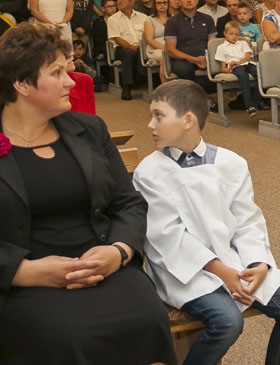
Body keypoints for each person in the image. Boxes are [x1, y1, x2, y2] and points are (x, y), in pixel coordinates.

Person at [0, 23, 176, 364]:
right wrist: (25, 272)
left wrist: (119, 252)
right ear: (21, 83)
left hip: (102, 263)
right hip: (23, 281)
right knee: (68, 338)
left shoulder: (89, 129)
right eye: (57, 73)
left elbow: (128, 203)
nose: (71, 81)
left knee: (147, 317)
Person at [133, 79, 280, 364]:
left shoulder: (231, 163)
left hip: (235, 261)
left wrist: (259, 263)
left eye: (158, 116)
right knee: (227, 322)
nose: (150, 125)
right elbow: (167, 236)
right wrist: (221, 271)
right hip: (183, 269)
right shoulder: (150, 171)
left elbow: (248, 219)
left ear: (188, 120)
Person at [164, 0, 218, 96]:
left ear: (197, 1)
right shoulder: (172, 22)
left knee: (219, 67)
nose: (189, 0)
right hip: (183, 59)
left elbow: (212, 44)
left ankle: (198, 95)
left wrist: (205, 58)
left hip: (205, 58)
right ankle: (201, 97)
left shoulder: (207, 19)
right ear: (179, 2)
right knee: (183, 69)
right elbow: (170, 50)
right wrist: (193, 59)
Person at [107, 0, 147, 100]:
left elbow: (148, 35)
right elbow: (117, 38)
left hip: (142, 47)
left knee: (143, 51)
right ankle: (126, 87)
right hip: (122, 48)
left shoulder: (143, 17)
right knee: (128, 53)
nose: (119, 1)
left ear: (131, 2)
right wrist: (131, 46)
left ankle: (143, 78)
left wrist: (140, 46)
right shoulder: (112, 19)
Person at [215, 21, 260, 117]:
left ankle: (256, 101)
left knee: (259, 73)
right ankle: (250, 106)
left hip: (247, 63)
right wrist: (227, 70)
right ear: (225, 34)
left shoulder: (243, 43)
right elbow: (223, 68)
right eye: (231, 34)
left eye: (236, 34)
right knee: (243, 75)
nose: (234, 36)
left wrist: (238, 62)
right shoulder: (221, 47)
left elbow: (248, 57)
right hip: (236, 67)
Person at [143, 0, 172, 83]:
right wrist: (165, 49)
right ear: (154, 5)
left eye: (164, 2)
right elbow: (149, 39)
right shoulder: (150, 19)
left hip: (172, 46)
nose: (162, 5)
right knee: (163, 57)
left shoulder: (174, 18)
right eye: (159, 3)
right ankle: (165, 87)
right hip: (155, 49)